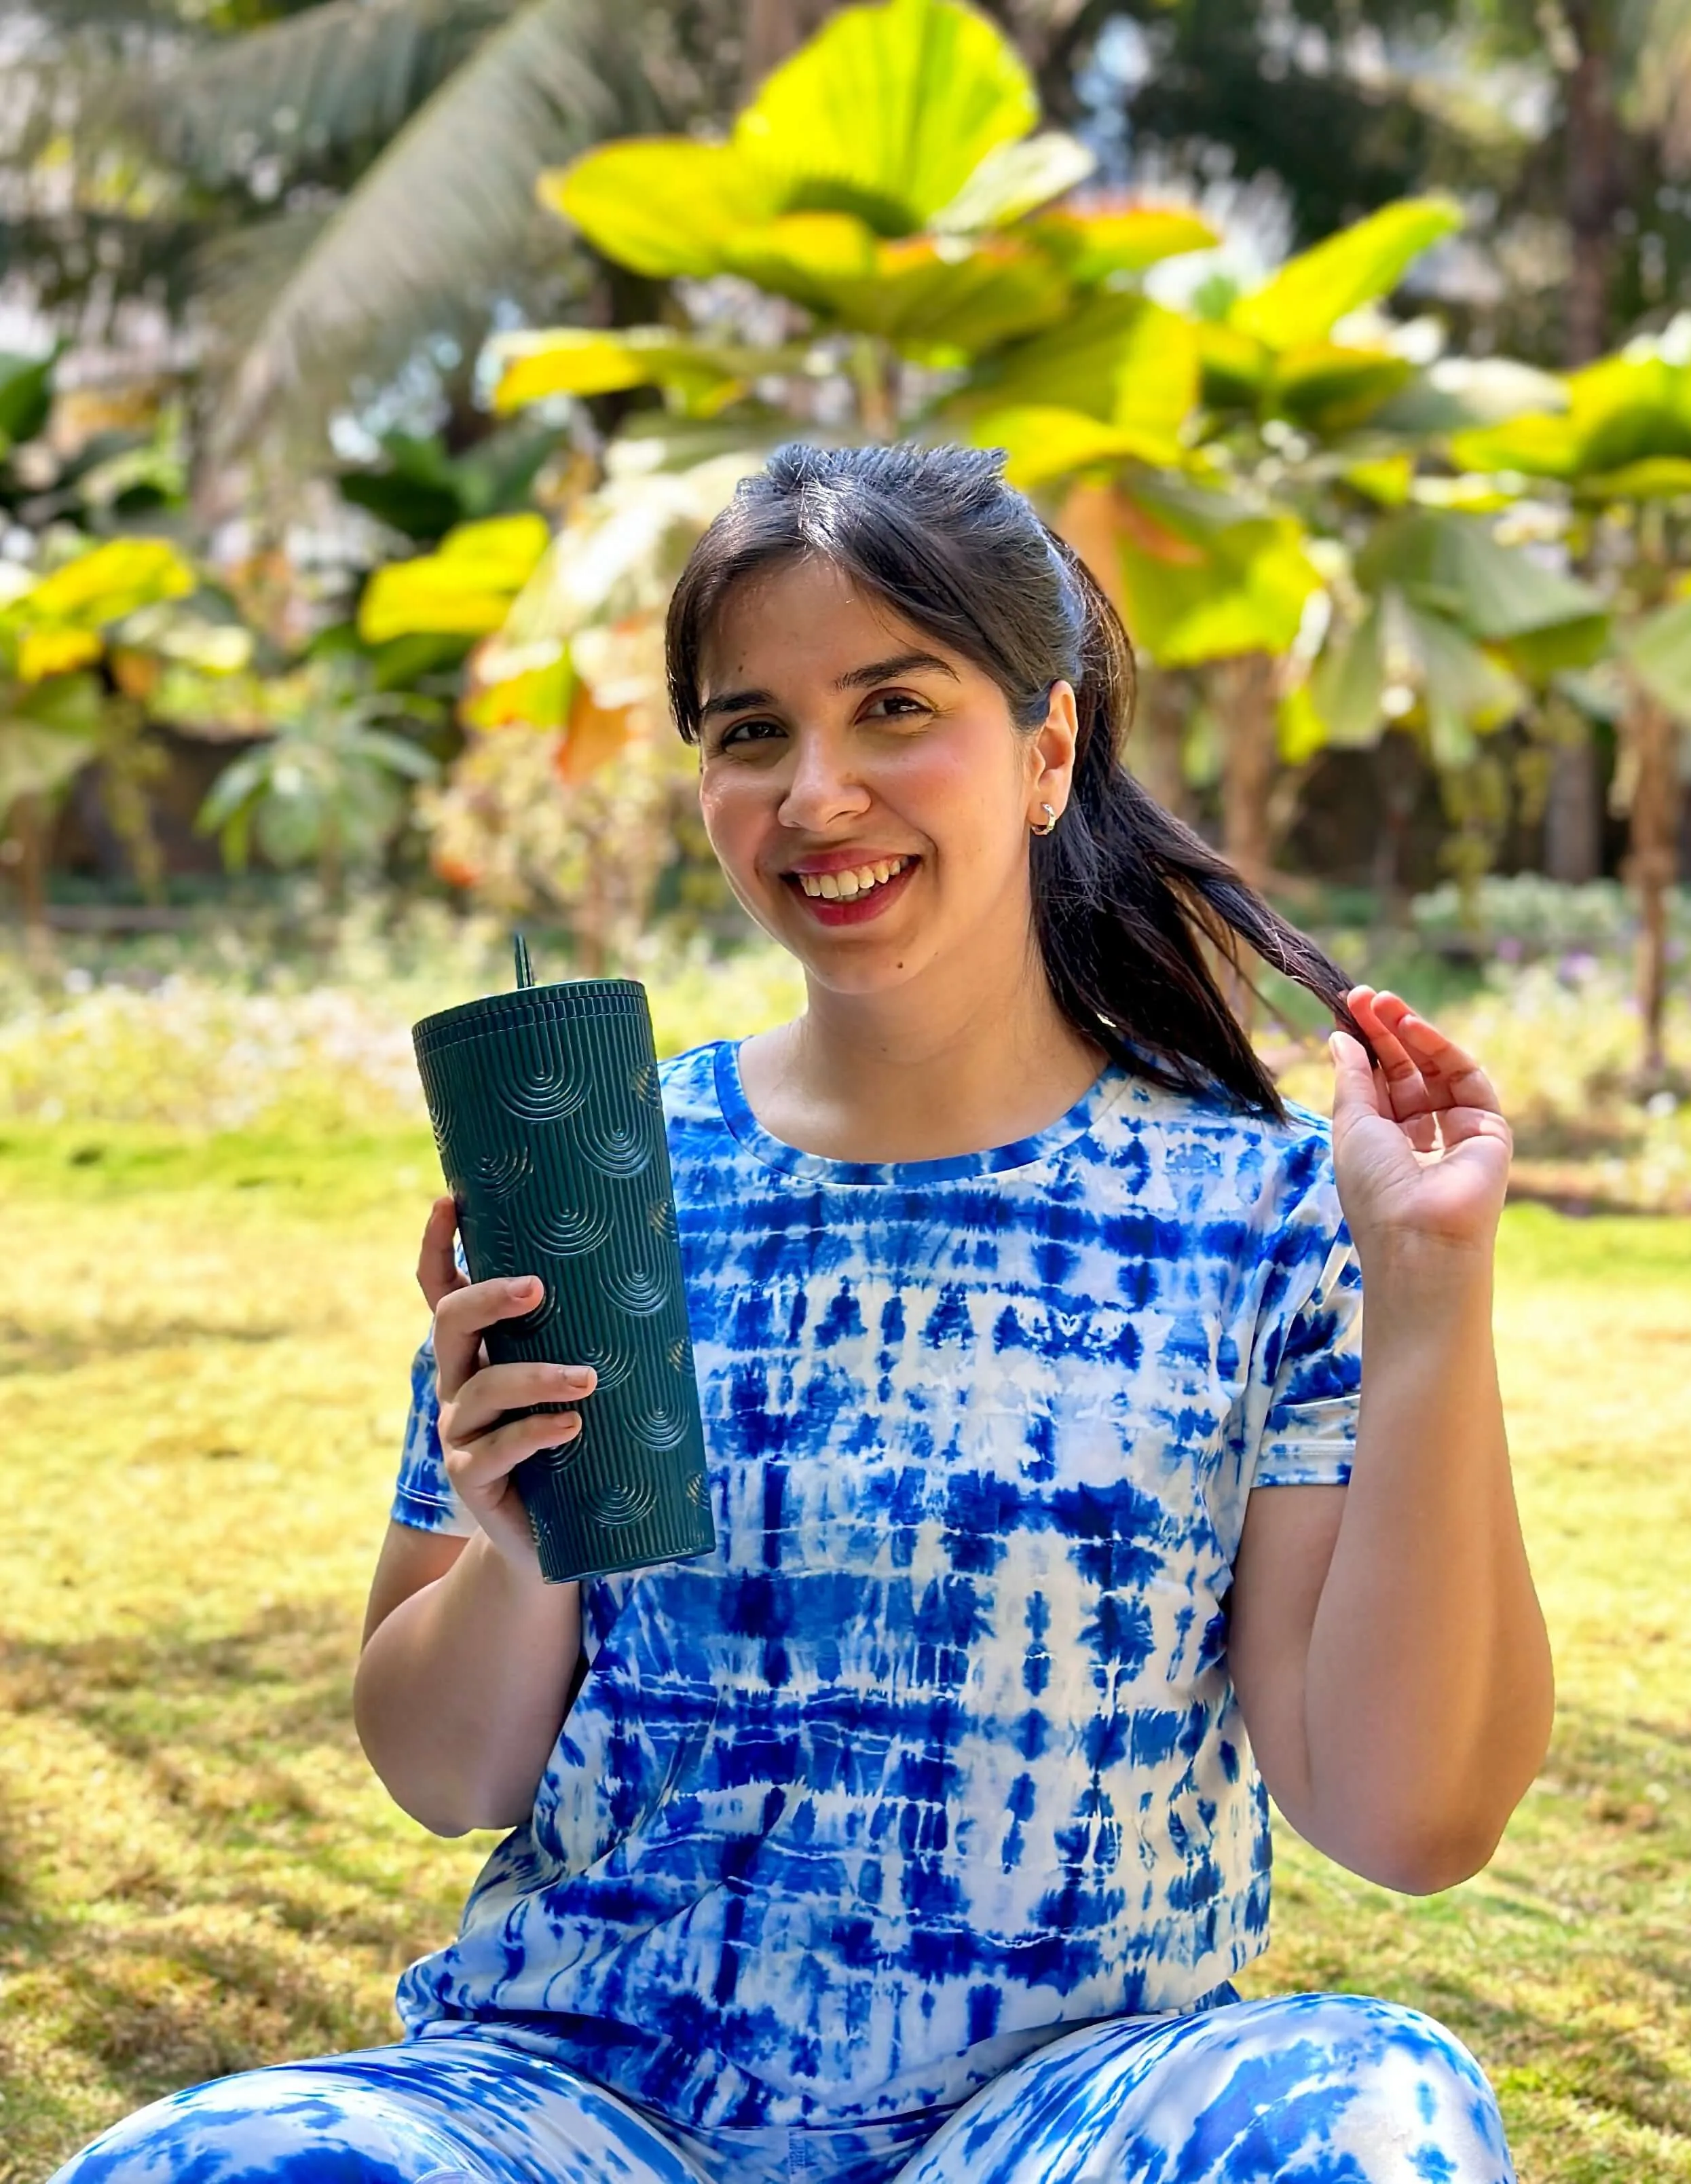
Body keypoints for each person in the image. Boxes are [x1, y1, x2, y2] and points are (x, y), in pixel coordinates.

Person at [54, 443, 1552, 2184]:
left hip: (1057, 2124)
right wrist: (521, 1540)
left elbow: (1408, 1815)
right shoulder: (600, 1167)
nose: (815, 793)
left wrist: (1431, 1294)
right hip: (586, 2111)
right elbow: (441, 1772)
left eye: (895, 707)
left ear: (1049, 747)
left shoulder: (1262, 1210)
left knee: (1377, 2108)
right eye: (750, 731)